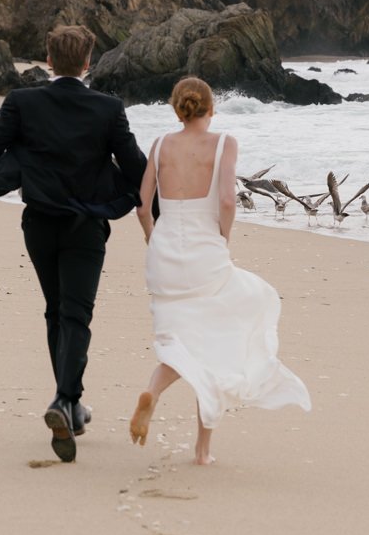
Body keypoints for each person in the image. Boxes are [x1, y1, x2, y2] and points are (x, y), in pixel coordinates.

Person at [0, 25, 146, 463]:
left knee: (56, 310)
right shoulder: (109, 108)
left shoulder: (23, 101)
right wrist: (168, 193)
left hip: (38, 223)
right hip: (85, 225)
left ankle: (73, 407)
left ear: (46, 58)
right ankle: (64, 399)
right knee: (76, 315)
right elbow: (134, 164)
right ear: (87, 63)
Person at [130, 77, 310, 465]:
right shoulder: (225, 142)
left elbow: (143, 207)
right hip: (205, 249)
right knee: (215, 342)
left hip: (164, 253)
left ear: (176, 108)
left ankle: (152, 391)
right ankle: (202, 450)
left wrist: (152, 240)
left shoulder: (160, 144)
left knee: (179, 339)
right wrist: (223, 239)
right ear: (211, 109)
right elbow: (227, 199)